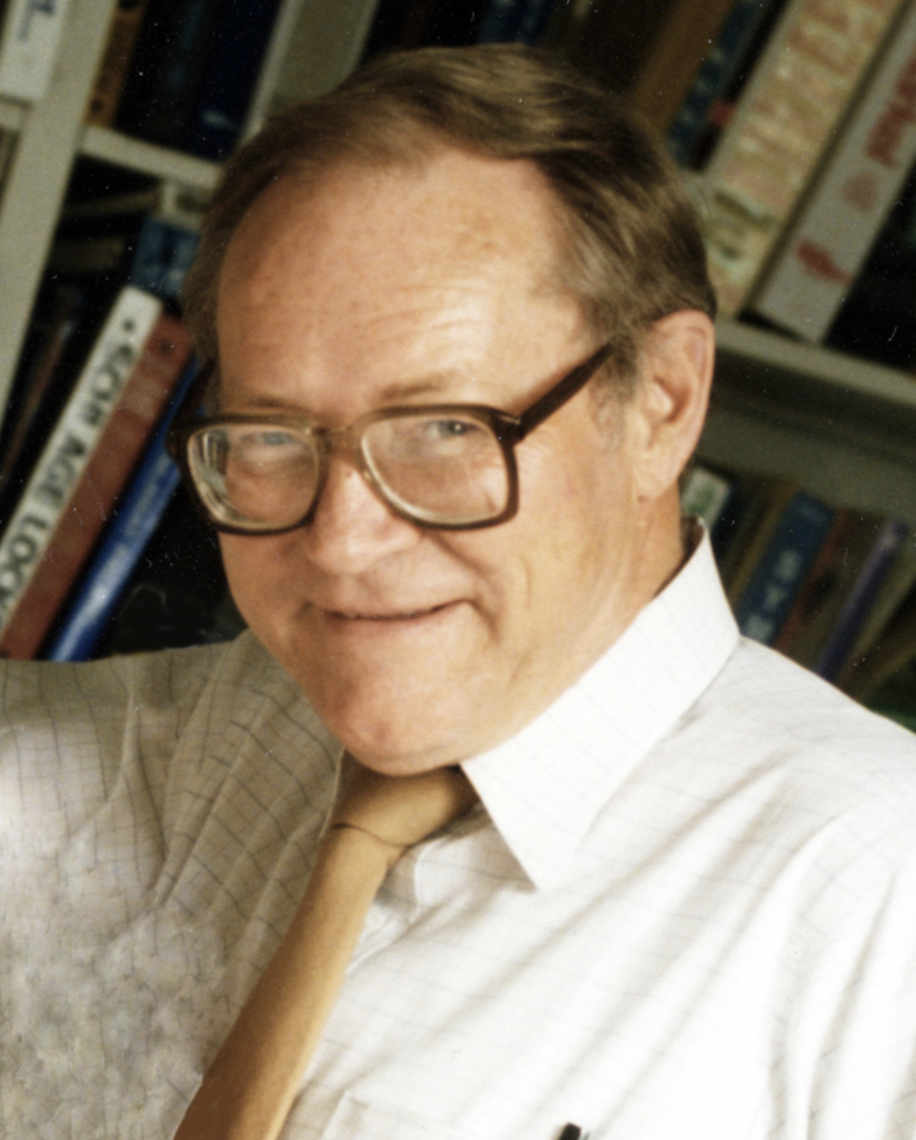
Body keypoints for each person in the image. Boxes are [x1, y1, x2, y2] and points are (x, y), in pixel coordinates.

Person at [2, 42, 916, 1140]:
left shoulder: (878, 893)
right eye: (272, 436)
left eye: (445, 429)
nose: (341, 541)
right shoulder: (96, 768)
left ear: (663, 400)